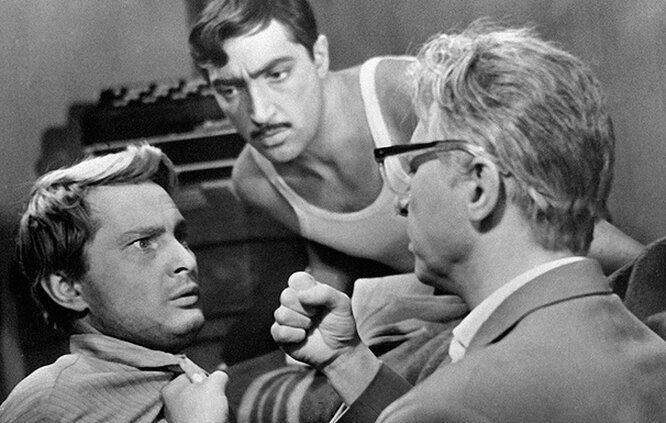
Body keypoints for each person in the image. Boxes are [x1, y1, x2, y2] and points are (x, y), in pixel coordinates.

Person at [270, 22, 666, 422]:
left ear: (478, 187)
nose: (402, 201)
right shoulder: (651, 354)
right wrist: (347, 361)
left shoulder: (448, 405)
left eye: (414, 167)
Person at [189, 0, 643, 294]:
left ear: (320, 56)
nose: (260, 111)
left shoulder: (403, 94)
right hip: (443, 297)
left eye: (277, 74)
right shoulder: (254, 181)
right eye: (229, 89)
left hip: (536, 263)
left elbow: (554, 214)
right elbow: (338, 255)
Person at [0, 144, 229, 422]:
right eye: (143, 243)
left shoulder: (188, 380)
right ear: (69, 288)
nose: (186, 260)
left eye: (180, 238)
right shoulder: (48, 405)